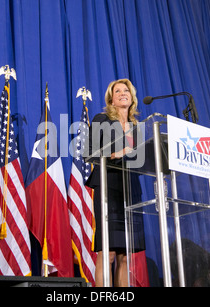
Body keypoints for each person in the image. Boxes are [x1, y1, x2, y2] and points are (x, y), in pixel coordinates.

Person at [86, 79, 145, 287]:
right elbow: (90, 153)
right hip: (109, 186)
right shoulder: (101, 119)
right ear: (111, 98)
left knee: (125, 256)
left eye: (126, 90)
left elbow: (144, 160)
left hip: (131, 190)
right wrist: (116, 153)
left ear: (132, 97)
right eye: (117, 91)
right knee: (108, 252)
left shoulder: (137, 127)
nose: (122, 93)